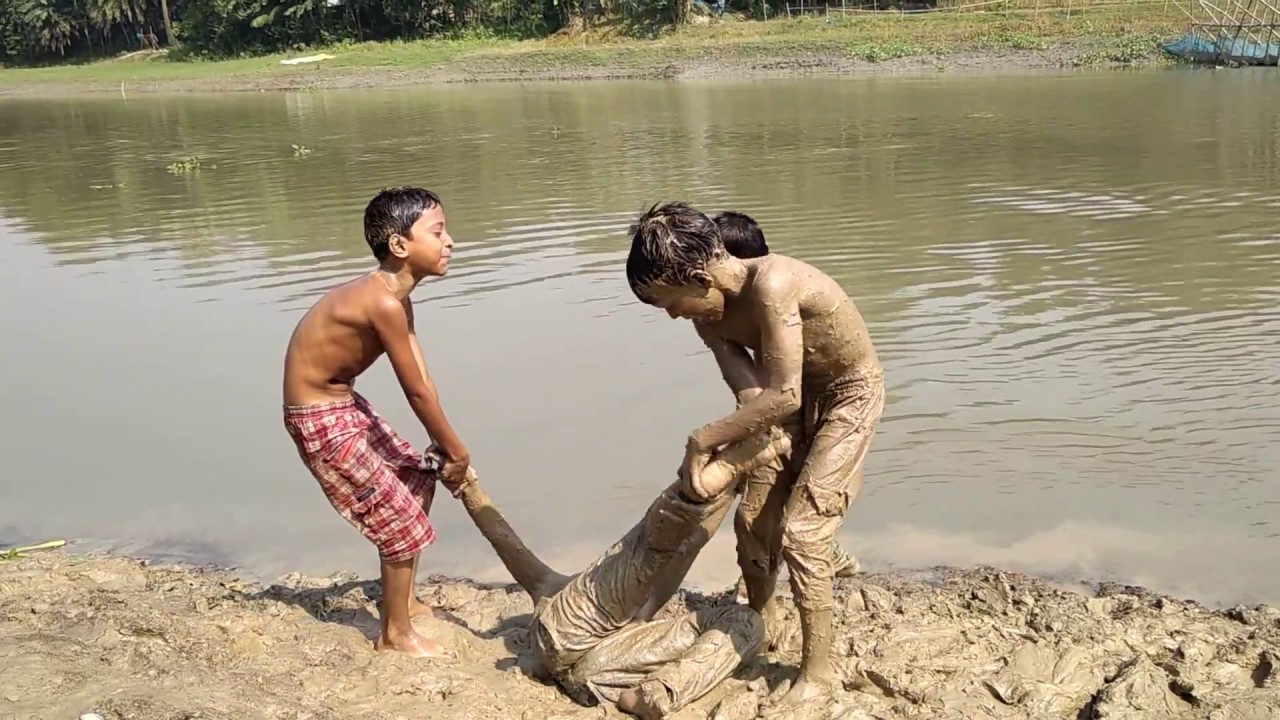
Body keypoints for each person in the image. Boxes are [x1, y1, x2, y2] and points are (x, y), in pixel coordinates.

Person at [625, 202, 886, 714]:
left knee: (803, 533)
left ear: (700, 279)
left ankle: (818, 674)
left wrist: (702, 443)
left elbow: (783, 394)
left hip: (848, 395)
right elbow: (755, 401)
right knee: (752, 522)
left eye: (671, 303)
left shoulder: (774, 284)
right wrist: (736, 457)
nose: (674, 316)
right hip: (788, 402)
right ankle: (761, 618)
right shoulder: (710, 321)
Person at [435, 424, 788, 720]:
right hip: (588, 649)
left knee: (657, 557)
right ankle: (666, 689)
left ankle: (659, 693)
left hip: (594, 672)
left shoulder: (553, 588)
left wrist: (469, 487)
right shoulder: (561, 590)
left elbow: (504, 541)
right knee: (659, 559)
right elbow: (689, 542)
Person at [281, 187, 470, 659]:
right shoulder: (382, 302)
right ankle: (394, 634)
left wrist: (443, 445)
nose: (450, 242)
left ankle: (403, 601)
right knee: (399, 522)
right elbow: (415, 392)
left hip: (342, 401)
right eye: (438, 232)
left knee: (415, 479)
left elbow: (424, 377)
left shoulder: (398, 297)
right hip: (318, 415)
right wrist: (459, 451)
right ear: (400, 246)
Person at [712, 210, 861, 585]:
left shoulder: (773, 292)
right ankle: (771, 570)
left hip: (820, 392)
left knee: (809, 488)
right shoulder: (725, 313)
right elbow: (753, 391)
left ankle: (830, 556)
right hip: (778, 398)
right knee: (765, 489)